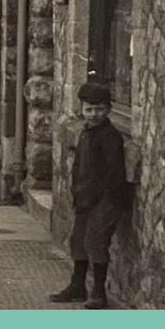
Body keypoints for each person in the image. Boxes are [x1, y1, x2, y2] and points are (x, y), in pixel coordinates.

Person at [49, 76, 127, 310]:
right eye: (89, 109)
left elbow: (114, 173)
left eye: (99, 109)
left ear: (108, 110)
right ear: (82, 109)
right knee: (78, 241)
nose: (94, 114)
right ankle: (77, 286)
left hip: (103, 199)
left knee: (96, 242)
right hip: (85, 197)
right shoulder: (86, 132)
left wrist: (108, 201)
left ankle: (99, 293)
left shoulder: (109, 137)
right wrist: (78, 193)